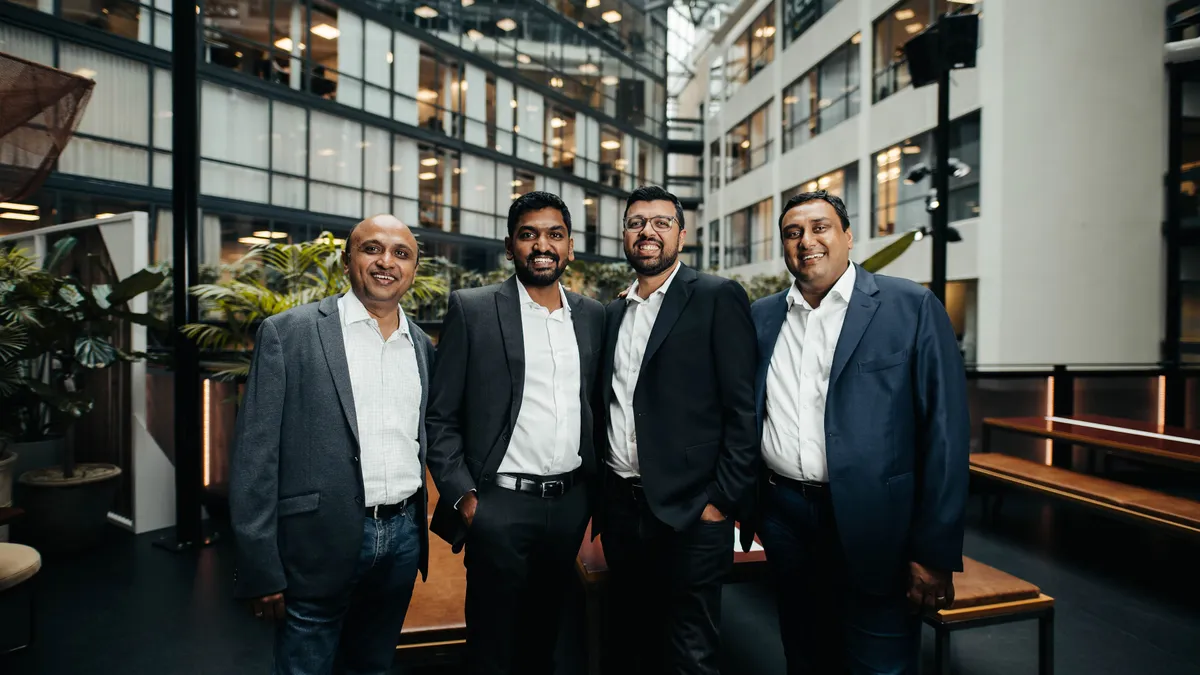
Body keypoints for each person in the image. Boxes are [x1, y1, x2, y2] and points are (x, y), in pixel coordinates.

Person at [747, 190, 970, 674]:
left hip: (879, 526)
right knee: (805, 655)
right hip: (785, 518)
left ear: (848, 237)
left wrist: (934, 553)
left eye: (820, 227)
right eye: (793, 232)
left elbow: (947, 437)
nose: (807, 240)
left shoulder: (910, 306)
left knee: (879, 663)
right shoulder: (762, 317)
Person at [229, 214, 435, 675]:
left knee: (373, 665)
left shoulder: (421, 346)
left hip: (401, 539)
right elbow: (254, 459)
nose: (387, 262)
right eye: (372, 249)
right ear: (347, 261)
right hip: (316, 543)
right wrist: (260, 567)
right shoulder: (289, 333)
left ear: (414, 270)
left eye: (401, 254)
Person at [425, 191, 606, 675]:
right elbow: (439, 418)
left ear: (570, 247)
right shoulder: (473, 309)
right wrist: (465, 497)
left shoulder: (594, 315)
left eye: (554, 235)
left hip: (569, 504)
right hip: (497, 505)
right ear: (510, 246)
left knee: (546, 638)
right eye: (529, 235)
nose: (541, 245)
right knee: (492, 644)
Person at [595, 185, 759, 675]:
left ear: (681, 236)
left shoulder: (715, 296)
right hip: (623, 508)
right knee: (632, 639)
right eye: (637, 222)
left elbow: (743, 410)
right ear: (625, 235)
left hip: (691, 513)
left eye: (661, 222)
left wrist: (719, 503)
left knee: (690, 652)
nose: (648, 231)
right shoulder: (613, 311)